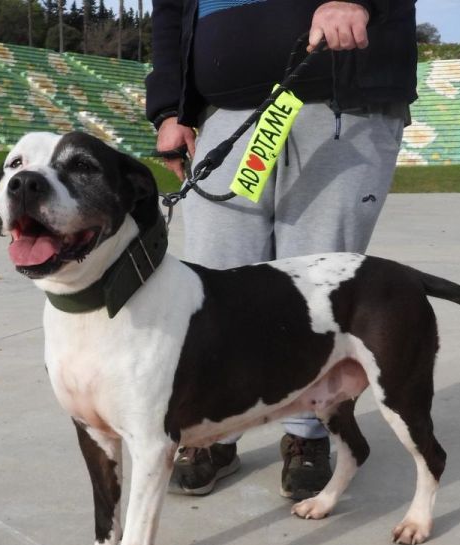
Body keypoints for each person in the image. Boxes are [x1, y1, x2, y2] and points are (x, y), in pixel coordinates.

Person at [145, 0, 418, 498]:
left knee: (317, 290)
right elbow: (170, 10)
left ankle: (308, 433)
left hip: (340, 98)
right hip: (227, 113)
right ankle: (213, 431)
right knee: (214, 290)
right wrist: (168, 107)